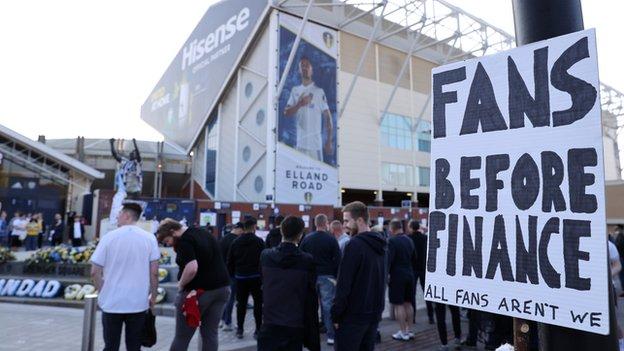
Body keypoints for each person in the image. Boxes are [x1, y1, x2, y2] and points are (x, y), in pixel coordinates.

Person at [90, 203, 160, 351]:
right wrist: (153, 296)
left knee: (110, 345)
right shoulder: (149, 238)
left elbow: (95, 271)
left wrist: (102, 290)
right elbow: (154, 272)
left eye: (120, 213)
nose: (117, 216)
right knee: (134, 346)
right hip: (138, 302)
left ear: (127, 215)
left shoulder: (109, 237)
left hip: (112, 302)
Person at [156, 218, 231, 351]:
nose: (167, 244)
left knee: (182, 337)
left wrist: (180, 285)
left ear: (173, 232)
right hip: (222, 289)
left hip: (198, 294)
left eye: (167, 241)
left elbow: (192, 267)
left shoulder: (185, 241)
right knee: (210, 334)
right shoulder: (202, 232)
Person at [258, 216, 320, 351]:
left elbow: (262, 283)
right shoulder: (306, 261)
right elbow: (310, 298)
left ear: (282, 232)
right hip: (294, 324)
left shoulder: (266, 256)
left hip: (270, 322)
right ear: (300, 235)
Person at [331, 201, 387, 351]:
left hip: (353, 318)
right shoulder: (381, 244)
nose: (344, 225)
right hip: (373, 316)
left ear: (360, 220)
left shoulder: (354, 245)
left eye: (347, 220)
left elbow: (343, 284)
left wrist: (336, 315)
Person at [300, 214, 341, 346]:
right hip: (327, 276)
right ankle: (331, 336)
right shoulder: (331, 239)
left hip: (311, 276)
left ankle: (311, 334)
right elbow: (338, 259)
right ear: (326, 223)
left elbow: (300, 256)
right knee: (327, 305)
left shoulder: (307, 238)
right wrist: (335, 275)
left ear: (316, 223)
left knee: (311, 305)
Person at [284, 56, 334, 163]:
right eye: (302, 66)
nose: (305, 68)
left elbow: (328, 118)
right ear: (299, 70)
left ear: (312, 69)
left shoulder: (319, 92)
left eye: (307, 66)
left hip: (315, 146)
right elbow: (286, 113)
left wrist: (329, 141)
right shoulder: (295, 90)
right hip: (300, 144)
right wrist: (300, 104)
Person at [227, 216, 265, 339]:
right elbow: (263, 260)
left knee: (241, 304)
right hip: (256, 277)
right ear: (254, 227)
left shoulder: (236, 242)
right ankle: (258, 329)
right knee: (258, 303)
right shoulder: (259, 242)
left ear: (243, 228)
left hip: (240, 277)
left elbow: (230, 261)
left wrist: (233, 275)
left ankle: (240, 329)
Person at [387, 219, 416, 341]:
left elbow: (389, 261)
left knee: (398, 304)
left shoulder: (391, 241)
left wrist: (387, 275)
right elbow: (415, 258)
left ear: (392, 229)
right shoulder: (409, 240)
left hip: (397, 276)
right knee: (408, 303)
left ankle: (403, 332)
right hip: (409, 274)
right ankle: (409, 330)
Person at [407, 219, 435, 324]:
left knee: (412, 294)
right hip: (424, 269)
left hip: (412, 269)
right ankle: (431, 316)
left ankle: (412, 317)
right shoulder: (425, 238)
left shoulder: (408, 238)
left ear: (411, 227)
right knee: (427, 294)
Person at [219, 222, 243, 331]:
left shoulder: (223, 239)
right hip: (232, 273)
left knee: (224, 298)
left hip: (222, 273)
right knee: (230, 298)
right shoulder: (236, 241)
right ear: (239, 229)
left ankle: (222, 320)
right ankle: (227, 322)